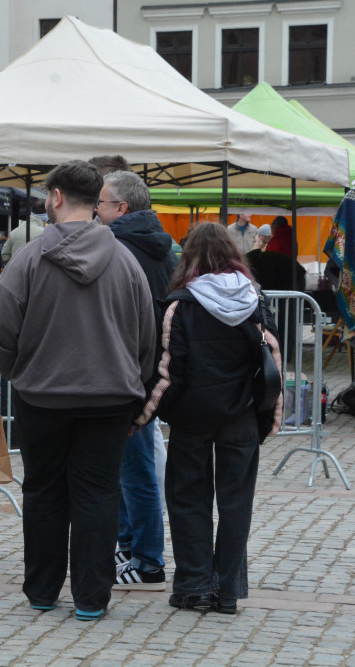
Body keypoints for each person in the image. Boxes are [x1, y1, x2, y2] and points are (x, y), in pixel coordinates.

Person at [0, 160, 155, 621]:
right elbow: (146, 335)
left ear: (57, 197)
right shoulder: (126, 261)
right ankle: (91, 596)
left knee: (43, 490)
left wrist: (16, 368)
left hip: (42, 394)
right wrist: (134, 385)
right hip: (111, 396)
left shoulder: (28, 259)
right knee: (99, 493)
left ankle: (42, 590)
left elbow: (2, 327)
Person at [137, 222, 271, 616]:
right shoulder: (255, 300)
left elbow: (167, 371)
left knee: (188, 500)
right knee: (236, 504)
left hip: (192, 418)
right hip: (242, 417)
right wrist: (266, 418)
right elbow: (272, 364)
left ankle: (193, 585)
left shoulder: (181, 304)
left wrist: (147, 414)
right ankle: (227, 590)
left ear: (190, 257)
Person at [98, 170, 174, 592]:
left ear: (121, 208)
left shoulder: (119, 248)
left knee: (137, 470)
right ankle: (130, 548)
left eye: (102, 203)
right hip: (147, 371)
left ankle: (147, 561)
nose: (96, 210)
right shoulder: (163, 246)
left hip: (129, 373)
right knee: (130, 467)